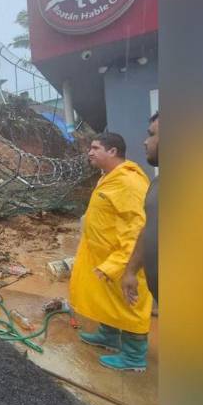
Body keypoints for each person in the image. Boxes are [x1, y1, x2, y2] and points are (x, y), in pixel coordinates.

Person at [69, 132, 154, 371]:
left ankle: (133, 358)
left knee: (130, 305)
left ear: (113, 151)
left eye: (96, 148)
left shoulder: (129, 182)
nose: (90, 152)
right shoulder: (108, 177)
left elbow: (138, 227)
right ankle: (109, 336)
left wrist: (120, 264)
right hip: (102, 254)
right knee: (107, 299)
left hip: (124, 259)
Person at [122, 112, 159, 305]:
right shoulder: (157, 184)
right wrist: (131, 270)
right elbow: (149, 229)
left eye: (152, 134)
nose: (145, 142)